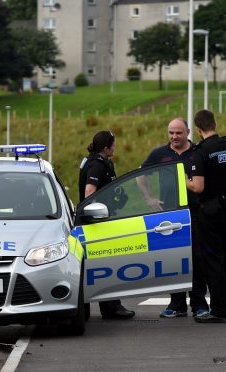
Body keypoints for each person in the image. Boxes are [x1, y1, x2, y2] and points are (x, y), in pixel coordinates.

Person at [137, 118, 209, 318]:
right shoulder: (159, 154)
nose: (174, 137)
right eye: (171, 133)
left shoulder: (198, 152)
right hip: (169, 216)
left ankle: (199, 304)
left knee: (196, 259)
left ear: (187, 132)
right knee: (174, 259)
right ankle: (177, 304)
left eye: (178, 133)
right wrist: (149, 198)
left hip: (194, 213)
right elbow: (140, 176)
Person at [186, 109, 226, 323]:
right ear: (215, 124)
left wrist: (185, 180)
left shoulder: (200, 153)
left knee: (213, 261)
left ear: (198, 129)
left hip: (210, 214)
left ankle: (220, 309)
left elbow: (198, 186)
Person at [78, 130, 135, 319]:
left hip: (99, 219)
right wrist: (98, 215)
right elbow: (89, 191)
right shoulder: (97, 165)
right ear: (106, 147)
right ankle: (111, 307)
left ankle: (98, 307)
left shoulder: (94, 161)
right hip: (99, 222)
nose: (115, 146)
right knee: (108, 263)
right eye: (113, 143)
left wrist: (117, 203)